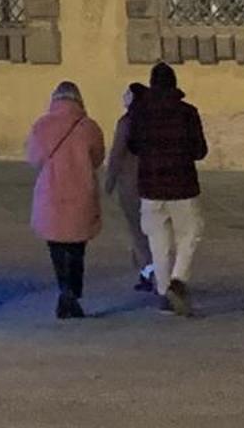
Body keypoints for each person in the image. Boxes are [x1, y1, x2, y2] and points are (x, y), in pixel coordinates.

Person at [127, 60, 208, 317]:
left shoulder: (140, 113)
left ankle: (163, 294)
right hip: (181, 185)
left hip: (150, 186)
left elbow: (133, 146)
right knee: (191, 231)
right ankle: (178, 280)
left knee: (158, 242)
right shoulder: (187, 112)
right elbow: (199, 150)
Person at [24, 78, 105, 319]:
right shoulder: (89, 126)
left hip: (51, 193)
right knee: (78, 248)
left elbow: (34, 158)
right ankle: (74, 293)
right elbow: (98, 158)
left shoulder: (42, 126)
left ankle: (64, 291)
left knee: (56, 248)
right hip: (81, 191)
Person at [103, 83, 156, 292]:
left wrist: (109, 181)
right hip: (152, 183)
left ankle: (148, 271)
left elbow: (116, 154)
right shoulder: (153, 122)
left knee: (137, 232)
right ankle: (154, 270)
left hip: (131, 185)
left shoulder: (127, 123)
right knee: (153, 231)